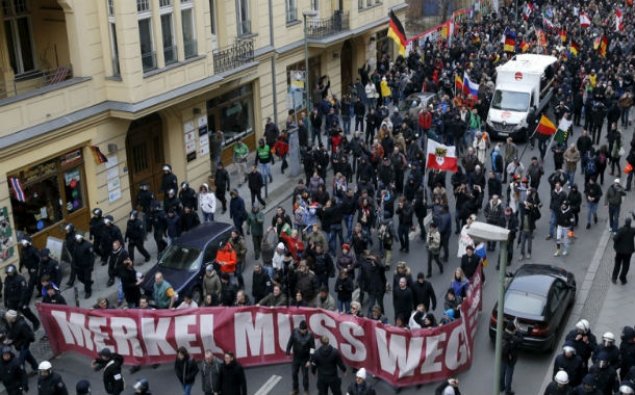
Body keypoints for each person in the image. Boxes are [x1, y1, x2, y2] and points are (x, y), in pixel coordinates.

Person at [4, 264, 39, 331]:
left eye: (10, 272)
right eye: (8, 272)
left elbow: (24, 292)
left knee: (27, 313)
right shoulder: (7, 279)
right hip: (12, 301)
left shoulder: (20, 279)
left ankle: (36, 322)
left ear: (14, 271)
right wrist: (5, 301)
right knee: (13, 316)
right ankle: (22, 328)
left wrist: (22, 302)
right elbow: (6, 290)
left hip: (21, 300)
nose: (9, 274)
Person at [286, 320, 315, 395]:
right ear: (299, 328)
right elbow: (290, 341)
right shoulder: (295, 332)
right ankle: (295, 389)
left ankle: (306, 390)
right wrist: (288, 350)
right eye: (302, 330)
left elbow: (312, 348)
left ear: (306, 329)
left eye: (304, 330)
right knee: (294, 373)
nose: (303, 331)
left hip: (305, 358)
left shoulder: (310, 335)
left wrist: (310, 360)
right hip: (296, 357)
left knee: (305, 375)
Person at [72, 232, 95, 299]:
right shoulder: (76, 245)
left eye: (79, 239)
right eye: (77, 239)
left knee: (87, 279)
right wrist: (74, 264)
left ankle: (88, 291)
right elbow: (74, 256)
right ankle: (89, 283)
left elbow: (92, 256)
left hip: (87, 266)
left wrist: (91, 266)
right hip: (79, 266)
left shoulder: (88, 245)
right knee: (80, 278)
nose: (78, 240)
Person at [613, 217, 635, 284]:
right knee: (626, 265)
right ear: (630, 223)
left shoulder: (621, 230)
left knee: (617, 264)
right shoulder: (633, 230)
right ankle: (622, 278)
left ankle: (614, 278)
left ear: (625, 222)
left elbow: (615, 238)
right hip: (628, 252)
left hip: (619, 251)